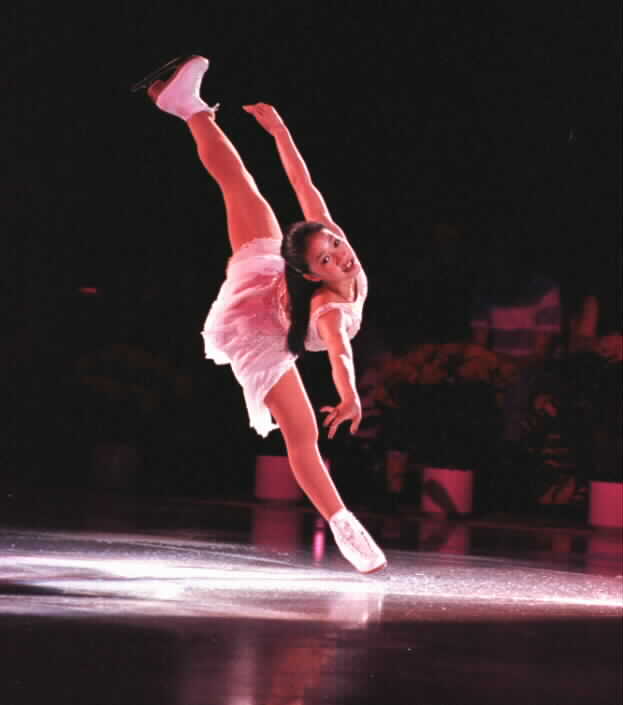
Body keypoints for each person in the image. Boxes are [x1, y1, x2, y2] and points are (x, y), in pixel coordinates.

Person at [132, 54, 386, 573]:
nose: (341, 255)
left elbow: (305, 186)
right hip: (257, 319)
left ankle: (186, 108)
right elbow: (340, 354)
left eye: (335, 245)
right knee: (304, 431)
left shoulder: (339, 263)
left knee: (242, 186)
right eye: (326, 257)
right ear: (310, 274)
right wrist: (350, 395)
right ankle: (188, 107)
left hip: (271, 302)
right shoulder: (329, 307)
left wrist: (281, 133)